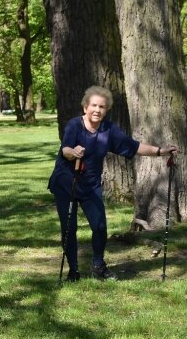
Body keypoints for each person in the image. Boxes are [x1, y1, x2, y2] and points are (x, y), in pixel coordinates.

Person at [48, 85, 178, 282]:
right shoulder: (75, 126)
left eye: (102, 107)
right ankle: (73, 270)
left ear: (106, 110)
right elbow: (66, 148)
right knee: (69, 229)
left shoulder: (109, 130)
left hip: (90, 186)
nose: (97, 110)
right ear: (85, 107)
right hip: (67, 184)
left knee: (100, 226)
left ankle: (99, 266)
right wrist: (73, 152)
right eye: (93, 105)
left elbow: (133, 147)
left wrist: (160, 151)